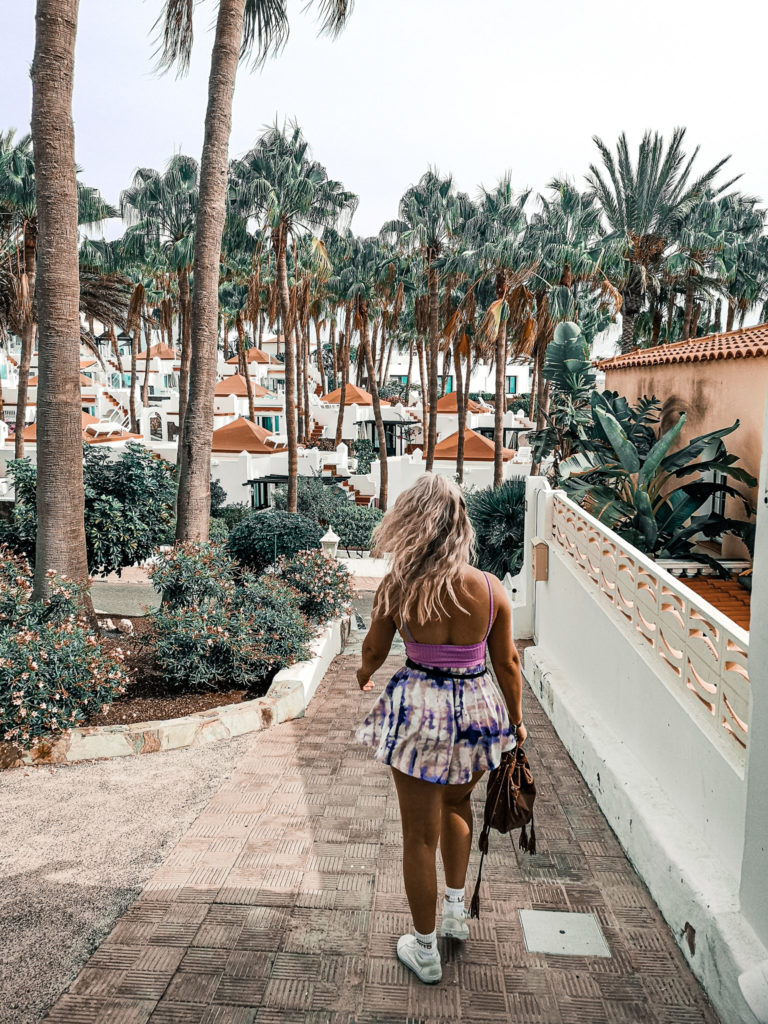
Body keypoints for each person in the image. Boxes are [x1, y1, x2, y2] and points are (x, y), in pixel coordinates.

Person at [355, 473, 527, 984]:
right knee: (457, 805)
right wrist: (516, 723)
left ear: (411, 522)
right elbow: (510, 664)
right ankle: (456, 910)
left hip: (419, 712)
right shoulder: (490, 589)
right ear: (460, 524)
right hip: (477, 712)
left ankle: (425, 949)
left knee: (417, 837)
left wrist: (365, 675)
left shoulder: (399, 586)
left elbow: (373, 649)